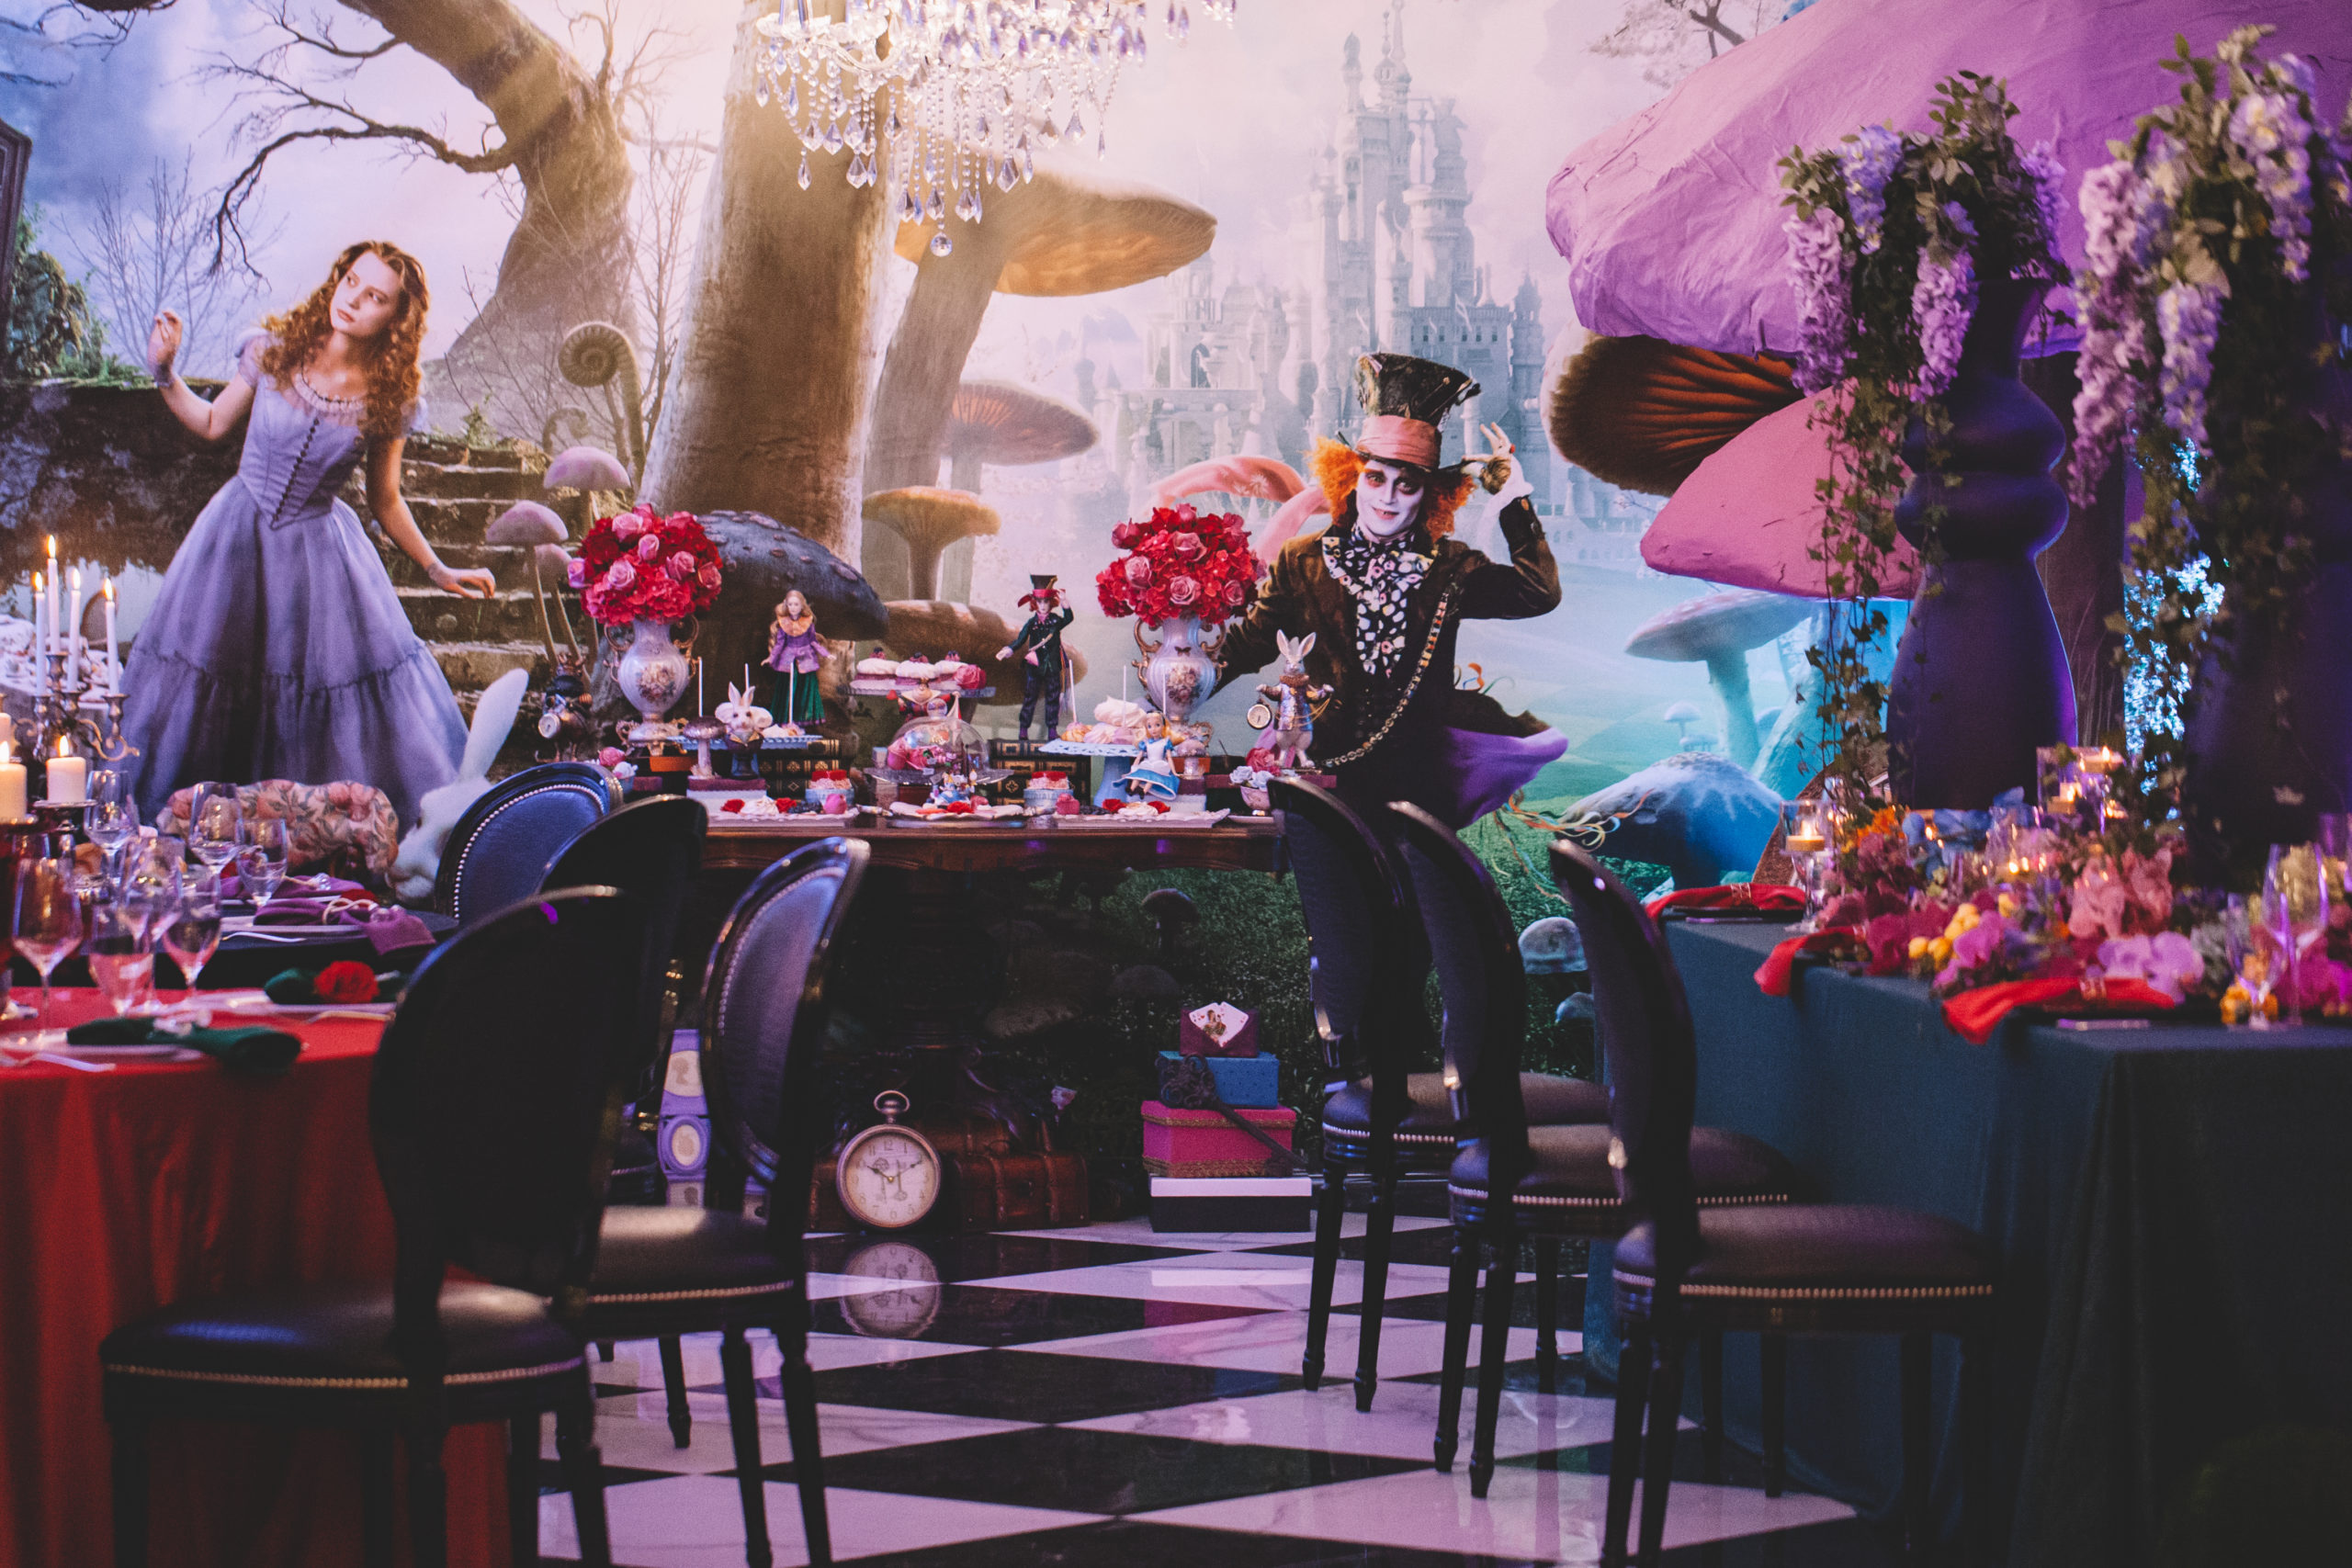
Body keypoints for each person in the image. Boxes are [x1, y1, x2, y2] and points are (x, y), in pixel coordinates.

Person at [127, 242, 494, 826]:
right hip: (233, 542)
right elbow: (213, 423)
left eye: (375, 297)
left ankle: (305, 841)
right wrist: (165, 372)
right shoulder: (273, 351)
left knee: (315, 697)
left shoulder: (389, 398)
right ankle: (200, 831)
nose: (354, 300)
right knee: (211, 678)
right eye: (351, 281)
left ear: (395, 318)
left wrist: (437, 568)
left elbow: (386, 499)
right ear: (337, 279)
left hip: (316, 562)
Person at [1214, 352, 1566, 828]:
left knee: (1414, 875)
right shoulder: (1303, 560)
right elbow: (1250, 644)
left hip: (1419, 785)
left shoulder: (1450, 566)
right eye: (1376, 478)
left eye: (1408, 485)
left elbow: (1538, 592)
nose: (1388, 497)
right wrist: (1179, 686)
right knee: (1325, 873)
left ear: (1429, 495)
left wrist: (1513, 501)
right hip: (1324, 779)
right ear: (1351, 479)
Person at [999, 573, 1074, 742]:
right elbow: (1020, 639)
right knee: (1030, 698)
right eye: (1040, 602)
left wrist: (1065, 603)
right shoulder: (1031, 623)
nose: (1043, 606)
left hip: (1053, 665)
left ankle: (1052, 730)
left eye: (1046, 602)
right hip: (1034, 665)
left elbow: (1069, 618)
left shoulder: (1055, 621)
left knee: (1053, 698)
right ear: (1034, 604)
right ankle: (1023, 730)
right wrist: (1009, 649)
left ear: (1051, 603)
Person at [764, 589, 828, 728]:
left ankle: (801, 719)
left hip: (806, 658)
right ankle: (785, 718)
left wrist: (825, 653)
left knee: (805, 687)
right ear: (786, 605)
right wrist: (771, 658)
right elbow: (780, 644)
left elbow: (813, 641)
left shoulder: (808, 623)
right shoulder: (783, 623)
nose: (793, 608)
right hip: (788, 659)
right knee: (787, 687)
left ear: (802, 606)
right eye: (790, 604)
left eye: (796, 604)